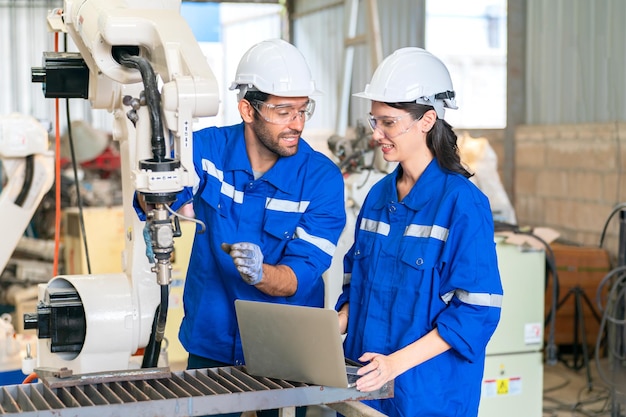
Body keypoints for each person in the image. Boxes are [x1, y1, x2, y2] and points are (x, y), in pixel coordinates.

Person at [138, 39, 346, 417]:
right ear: (247, 110)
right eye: (283, 111)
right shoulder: (205, 150)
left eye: (302, 110)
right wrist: (157, 210)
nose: (296, 123)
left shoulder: (321, 180)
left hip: (285, 348)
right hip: (211, 336)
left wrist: (260, 273)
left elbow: (302, 274)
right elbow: (163, 188)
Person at [335, 47, 503, 417]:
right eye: (374, 121)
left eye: (389, 122)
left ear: (427, 120)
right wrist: (334, 325)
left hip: (427, 396)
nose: (377, 134)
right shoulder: (378, 197)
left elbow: (476, 312)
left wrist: (394, 364)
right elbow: (355, 286)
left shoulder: (462, 204)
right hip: (363, 386)